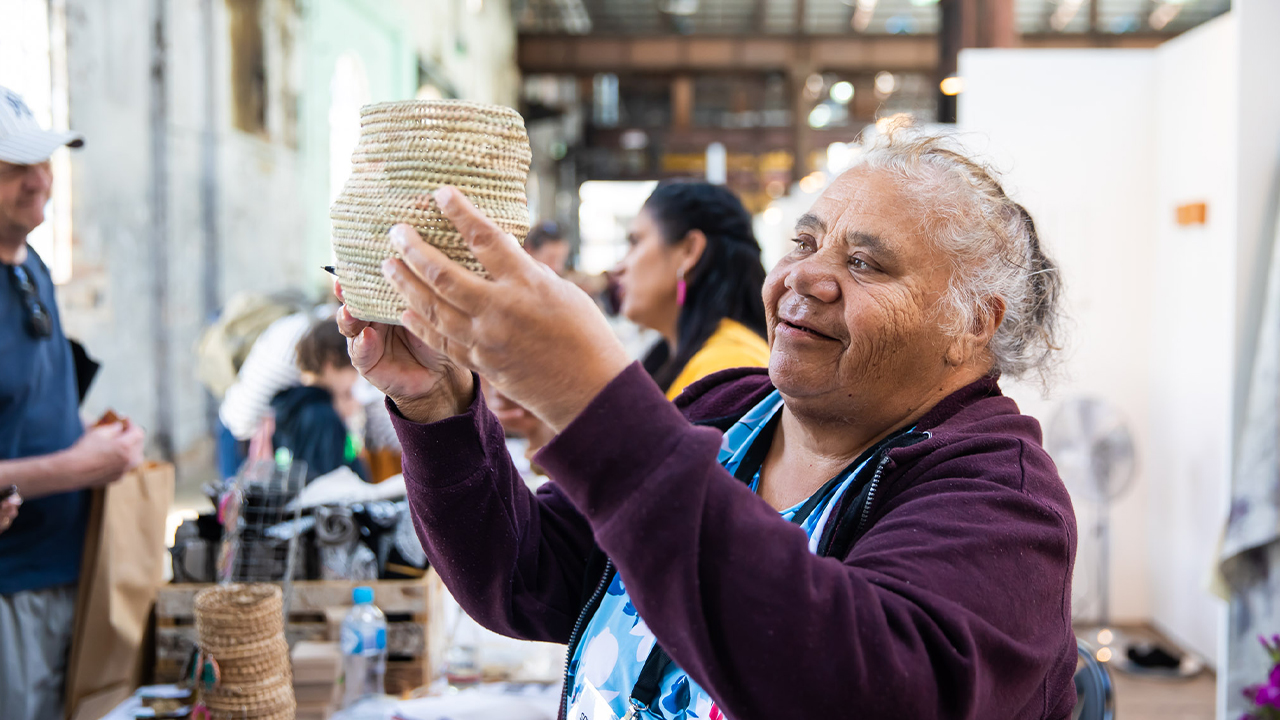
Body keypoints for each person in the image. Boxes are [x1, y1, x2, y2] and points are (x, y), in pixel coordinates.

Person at [340, 130, 1078, 719]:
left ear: (972, 325)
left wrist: (590, 400)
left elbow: (855, 688)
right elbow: (525, 578)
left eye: (865, 264)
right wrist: (437, 404)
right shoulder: (727, 409)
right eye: (805, 242)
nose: (806, 279)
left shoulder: (1003, 502)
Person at [0, 86, 146, 720]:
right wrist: (81, 466)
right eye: (13, 166)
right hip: (11, 582)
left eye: (44, 161)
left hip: (72, 563)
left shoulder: (30, 265)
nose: (39, 182)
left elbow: (30, 398)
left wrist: (93, 433)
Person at [616, 182, 769, 400]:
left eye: (635, 241)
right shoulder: (673, 355)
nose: (619, 267)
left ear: (689, 251)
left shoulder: (727, 365)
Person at [270, 317, 369, 482]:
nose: (356, 378)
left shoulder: (291, 404)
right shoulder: (322, 416)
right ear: (331, 362)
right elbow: (330, 483)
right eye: (353, 367)